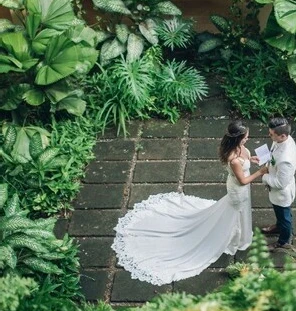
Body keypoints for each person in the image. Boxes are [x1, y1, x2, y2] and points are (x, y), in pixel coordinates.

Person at [112, 120, 265, 286]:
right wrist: (261, 172)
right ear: (237, 139)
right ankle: (234, 237)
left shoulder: (240, 149)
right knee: (235, 211)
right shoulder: (233, 159)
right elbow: (243, 180)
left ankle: (240, 234)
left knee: (238, 212)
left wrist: (252, 159)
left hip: (241, 187)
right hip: (238, 189)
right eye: (245, 137)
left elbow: (246, 160)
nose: (247, 139)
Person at [257, 116, 296, 250]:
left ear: (283, 136)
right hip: (275, 188)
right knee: (279, 214)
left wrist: (264, 176)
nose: (269, 136)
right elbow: (273, 153)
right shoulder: (283, 140)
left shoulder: (286, 160)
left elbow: (280, 183)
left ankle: (283, 241)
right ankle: (278, 226)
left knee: (285, 217)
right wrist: (263, 159)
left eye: (272, 134)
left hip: (281, 194)